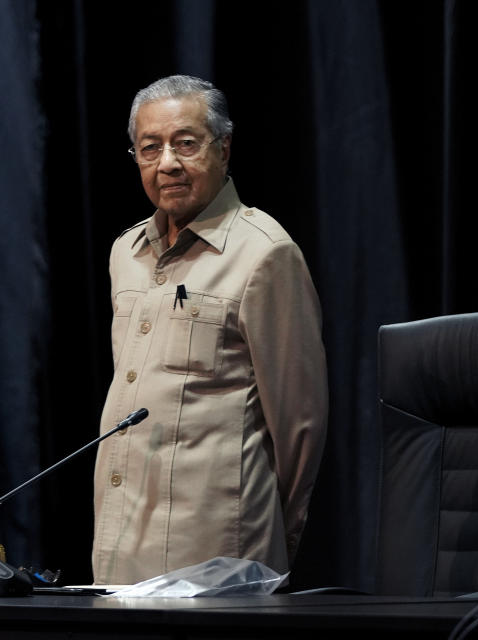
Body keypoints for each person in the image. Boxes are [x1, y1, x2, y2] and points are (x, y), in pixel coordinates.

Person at [92, 75, 328, 585]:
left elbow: (299, 428)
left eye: (185, 144)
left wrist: (267, 539)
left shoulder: (265, 253)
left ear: (223, 149)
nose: (167, 163)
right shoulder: (125, 253)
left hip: (217, 547)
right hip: (121, 537)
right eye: (149, 148)